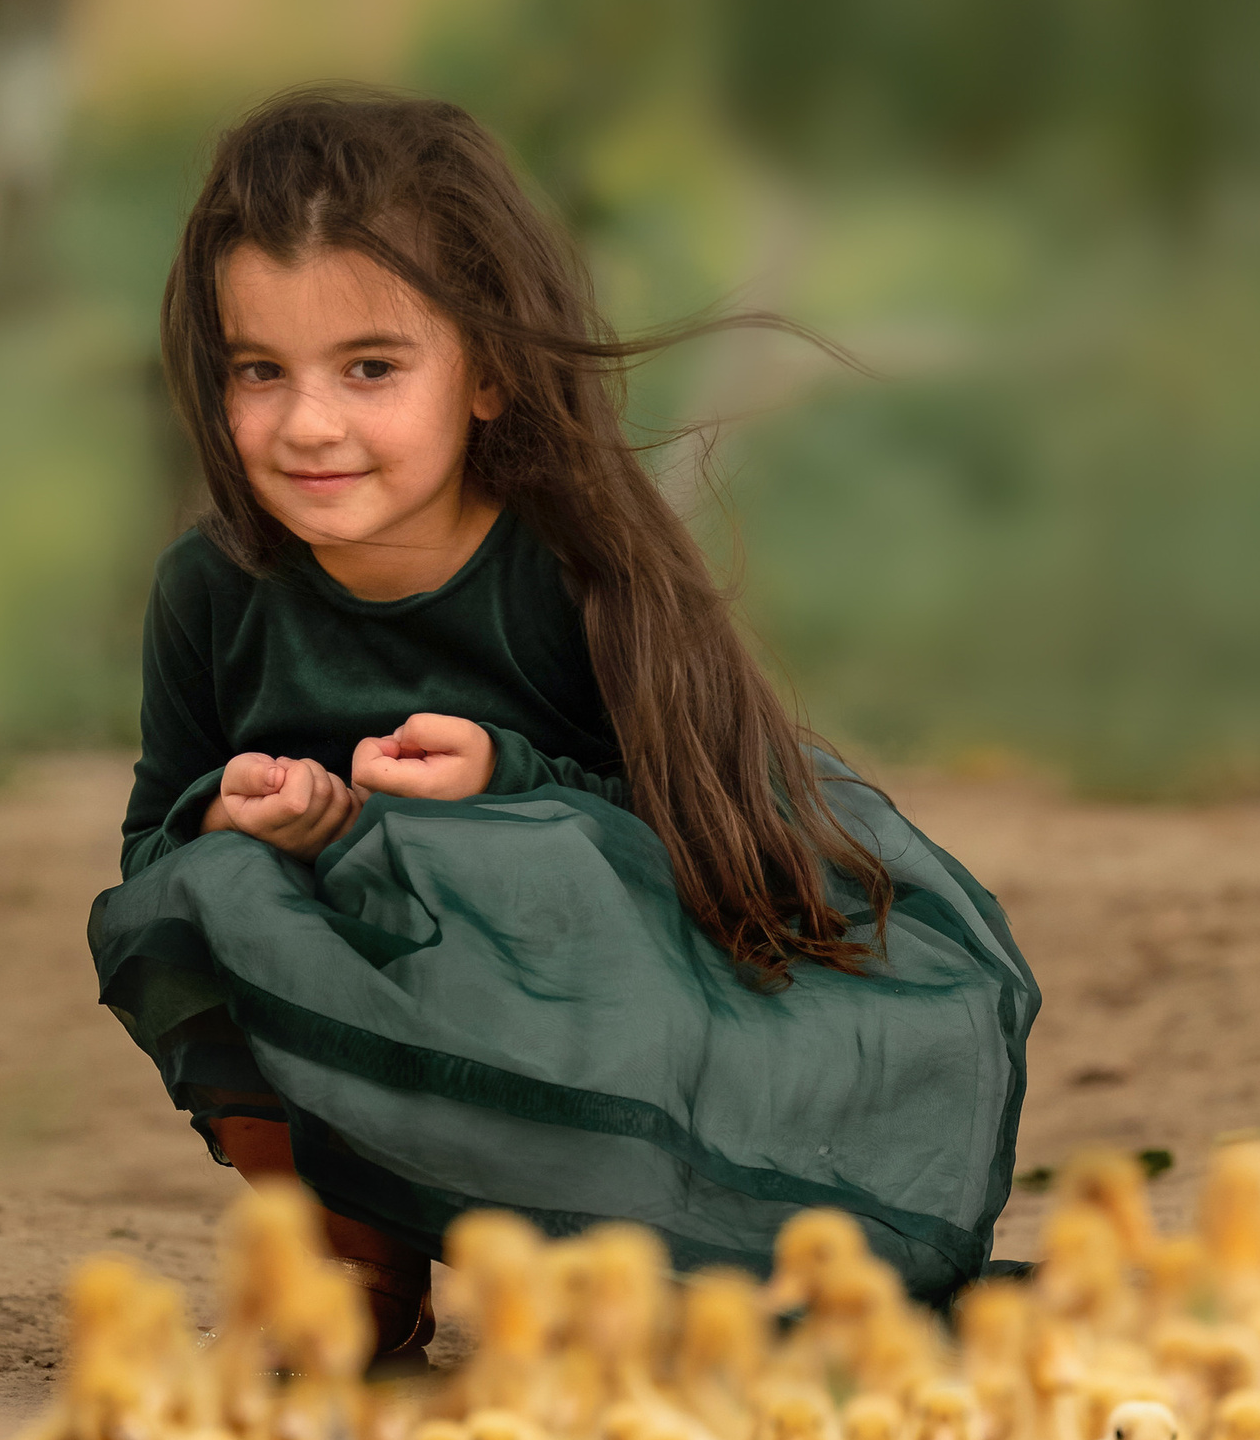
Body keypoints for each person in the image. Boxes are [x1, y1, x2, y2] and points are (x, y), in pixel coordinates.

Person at [87, 87, 1038, 1357]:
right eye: (259, 371)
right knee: (197, 895)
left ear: (488, 375)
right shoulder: (209, 592)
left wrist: (506, 779)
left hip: (623, 999)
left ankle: (619, 1239)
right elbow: (146, 854)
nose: (308, 424)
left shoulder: (580, 569)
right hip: (363, 1000)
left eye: (370, 367)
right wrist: (233, 814)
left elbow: (707, 828)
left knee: (483, 852)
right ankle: (349, 1255)